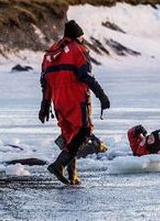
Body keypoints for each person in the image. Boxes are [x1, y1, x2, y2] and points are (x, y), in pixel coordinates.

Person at [39, 20, 110, 185]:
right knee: (84, 131)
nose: (83, 39)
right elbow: (86, 76)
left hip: (58, 103)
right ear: (77, 36)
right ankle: (59, 165)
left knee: (70, 136)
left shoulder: (50, 54)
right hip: (76, 100)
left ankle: (72, 176)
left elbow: (45, 83)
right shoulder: (78, 50)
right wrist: (101, 95)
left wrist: (45, 105)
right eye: (81, 36)